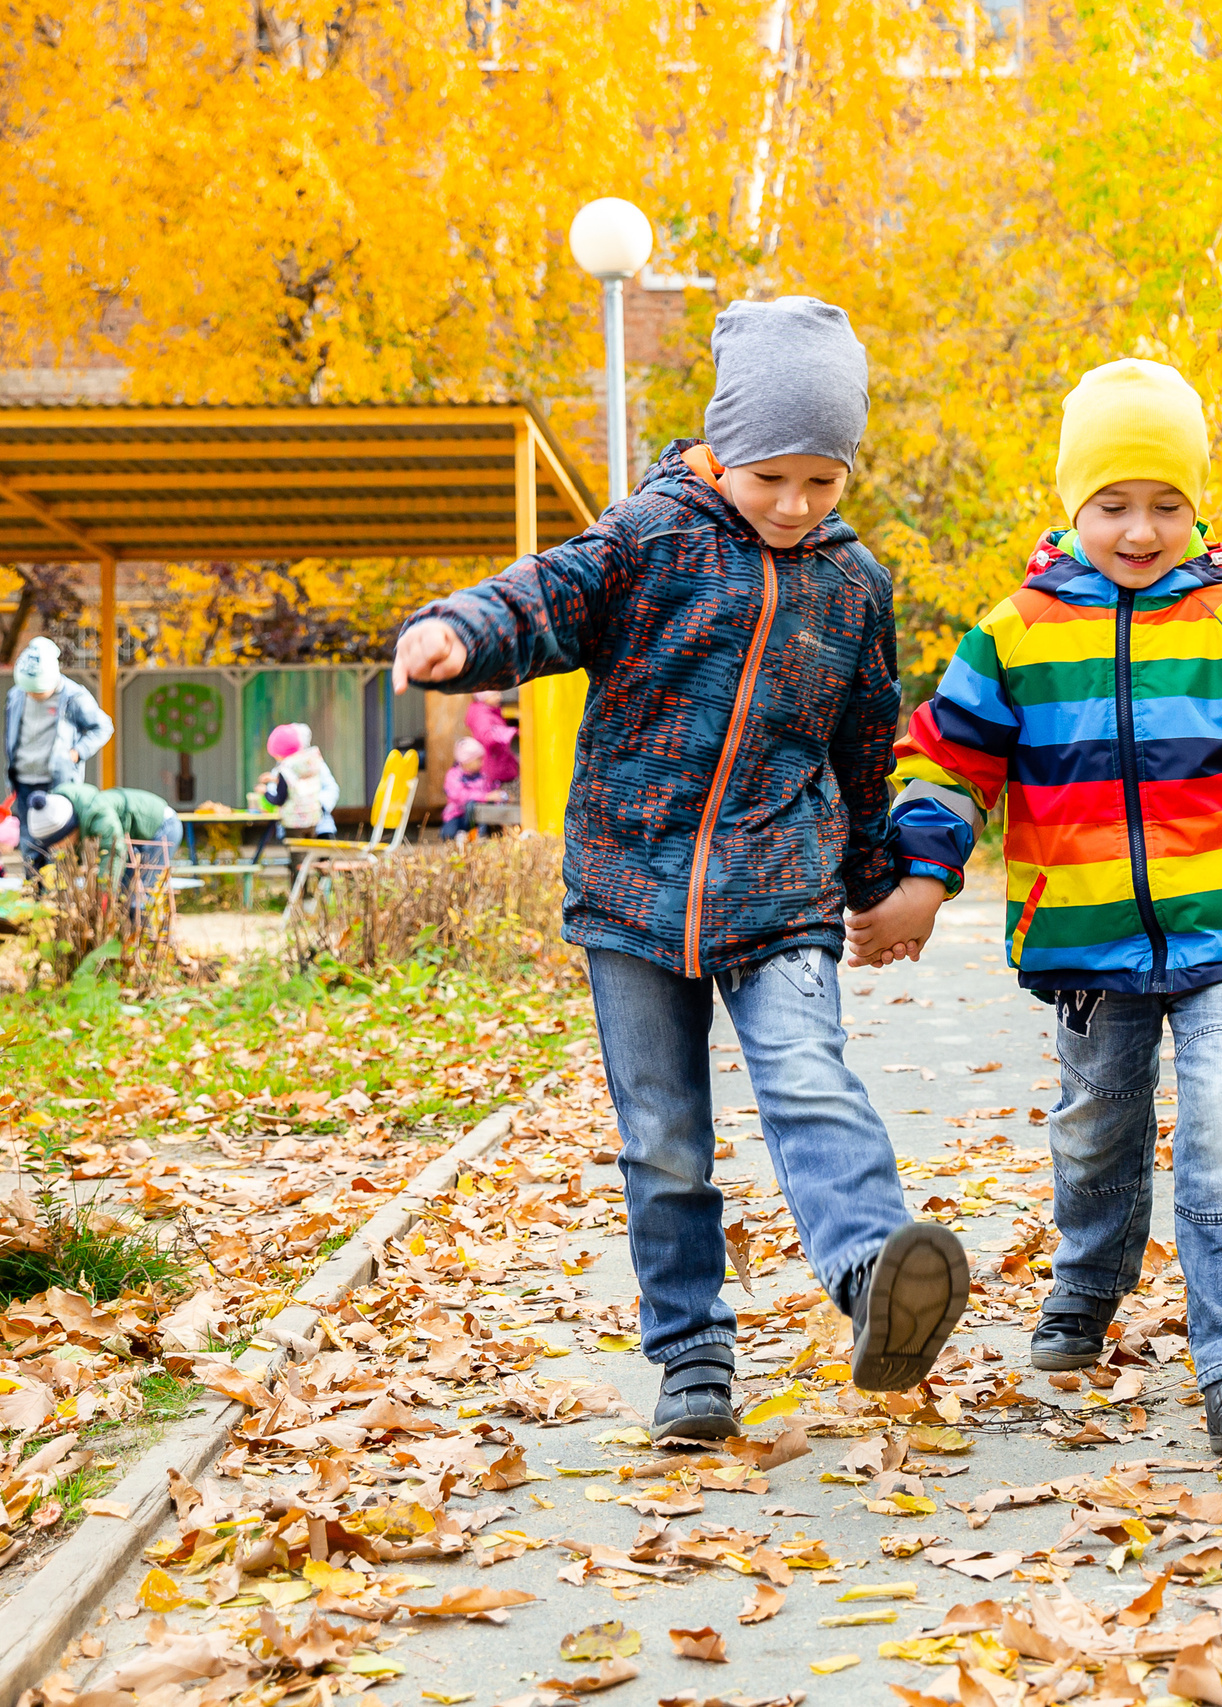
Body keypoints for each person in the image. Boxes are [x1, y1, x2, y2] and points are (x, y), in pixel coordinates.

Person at [387, 296, 969, 1441]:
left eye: (822, 482)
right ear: (721, 450)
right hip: (632, 892)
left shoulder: (853, 585)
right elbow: (545, 598)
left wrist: (872, 883)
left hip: (781, 890)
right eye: (771, 479)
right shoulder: (648, 536)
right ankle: (692, 1359)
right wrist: (462, 630)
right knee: (662, 1138)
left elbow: (863, 743)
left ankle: (874, 1277)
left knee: (808, 1078)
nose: (796, 506)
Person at [861, 358, 1222, 1456]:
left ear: (1196, 506)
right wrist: (921, 880)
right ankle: (1087, 1287)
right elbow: (947, 766)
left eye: (1165, 503)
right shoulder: (1012, 634)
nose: (1140, 528)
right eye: (1113, 503)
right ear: (1071, 507)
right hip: (1085, 939)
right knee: (1096, 1131)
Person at [1, 638, 112, 860]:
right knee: (29, 840)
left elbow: (103, 727)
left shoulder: (73, 697)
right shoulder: (16, 695)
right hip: (23, 781)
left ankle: (57, 891)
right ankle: (32, 888)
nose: (32, 695)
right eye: (28, 690)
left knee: (58, 842)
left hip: (58, 782)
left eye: (38, 691)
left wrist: (77, 752)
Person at [25, 783, 182, 896]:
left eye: (57, 843)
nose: (55, 849)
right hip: (131, 836)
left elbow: (114, 852)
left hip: (162, 826)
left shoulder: (98, 813)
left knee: (139, 895)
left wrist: (103, 893)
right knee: (123, 891)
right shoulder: (68, 815)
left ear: (69, 832)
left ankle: (154, 938)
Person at [257, 723, 339, 842]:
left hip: (305, 824)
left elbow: (280, 797)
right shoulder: (310, 764)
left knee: (300, 857)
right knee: (310, 858)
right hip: (313, 822)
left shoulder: (294, 768)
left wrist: (317, 806)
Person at [441, 736, 495, 839]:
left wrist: (496, 796)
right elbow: (459, 795)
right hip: (457, 815)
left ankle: (479, 834)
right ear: (467, 761)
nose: (481, 763)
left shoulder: (482, 776)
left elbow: (489, 789)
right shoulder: (454, 775)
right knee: (449, 834)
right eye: (478, 760)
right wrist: (486, 797)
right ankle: (454, 835)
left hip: (475, 818)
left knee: (478, 808)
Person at [467, 691, 520, 787]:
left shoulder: (491, 712)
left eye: (499, 694)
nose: (499, 698)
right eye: (494, 695)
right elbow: (487, 737)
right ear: (482, 697)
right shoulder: (482, 715)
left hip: (499, 763)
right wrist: (509, 733)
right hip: (493, 767)